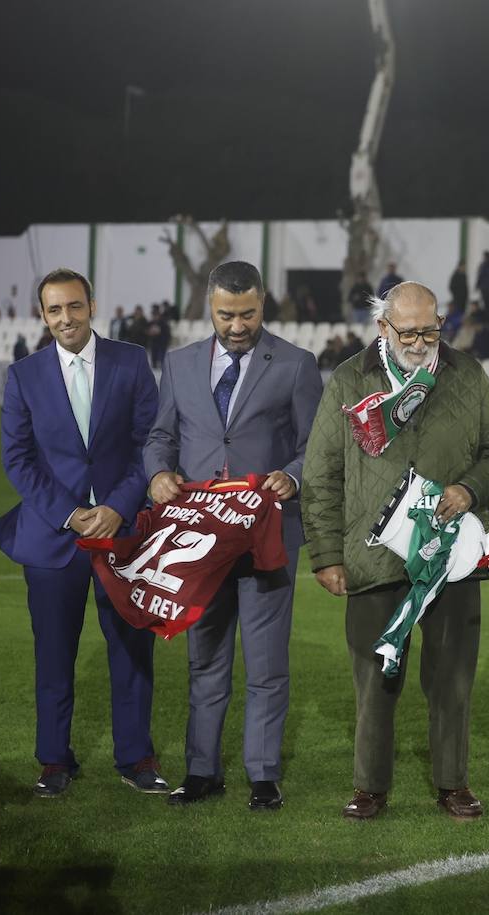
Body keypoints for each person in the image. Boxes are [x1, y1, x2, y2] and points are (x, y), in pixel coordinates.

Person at [301, 281, 489, 822]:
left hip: (453, 556)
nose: (420, 342)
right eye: (408, 332)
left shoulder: (465, 374)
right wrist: (326, 554)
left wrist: (469, 489)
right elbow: (321, 472)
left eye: (430, 329)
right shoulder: (351, 378)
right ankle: (370, 786)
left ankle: (453, 784)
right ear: (382, 328)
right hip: (373, 556)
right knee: (375, 678)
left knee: (452, 677)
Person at [144, 260, 323, 811]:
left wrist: (290, 477)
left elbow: (314, 446)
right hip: (200, 538)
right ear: (210, 306)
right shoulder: (178, 364)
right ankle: (202, 771)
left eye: (247, 314)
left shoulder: (296, 364)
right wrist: (157, 473)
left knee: (266, 663)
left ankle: (263, 775)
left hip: (267, 536)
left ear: (262, 304)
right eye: (227, 314)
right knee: (205, 659)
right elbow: (160, 435)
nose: (237, 325)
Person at [0, 267, 164, 796]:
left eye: (74, 307)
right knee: (54, 653)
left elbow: (148, 443)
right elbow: (17, 459)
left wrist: (116, 505)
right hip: (52, 537)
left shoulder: (130, 361)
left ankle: (136, 759)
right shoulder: (24, 375)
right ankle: (54, 761)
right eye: (55, 310)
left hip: (123, 532)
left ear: (91, 306)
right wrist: (71, 514)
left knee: (132, 649)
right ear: (43, 315)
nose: (66, 318)